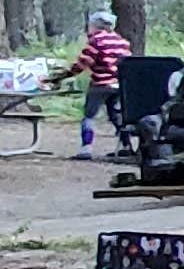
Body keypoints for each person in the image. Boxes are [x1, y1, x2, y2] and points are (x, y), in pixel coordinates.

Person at [45, 10, 133, 160]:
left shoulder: (96, 41)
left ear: (96, 25)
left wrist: (60, 77)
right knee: (117, 116)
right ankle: (126, 146)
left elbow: (82, 64)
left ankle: (86, 149)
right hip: (119, 85)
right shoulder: (122, 42)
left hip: (100, 84)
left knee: (89, 116)